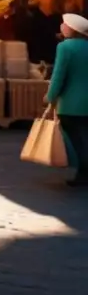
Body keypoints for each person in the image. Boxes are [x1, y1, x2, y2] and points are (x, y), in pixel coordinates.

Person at [45, 13, 88, 187]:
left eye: (64, 24)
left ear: (71, 29)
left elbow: (58, 76)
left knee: (77, 139)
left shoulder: (65, 47)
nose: (61, 26)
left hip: (71, 104)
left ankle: (84, 172)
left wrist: (50, 96)